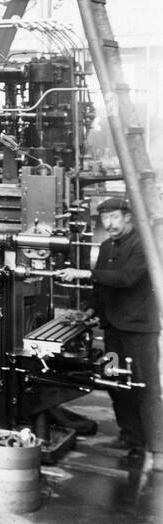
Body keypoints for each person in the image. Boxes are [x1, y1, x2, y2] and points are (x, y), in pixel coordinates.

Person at [57, 196, 161, 471]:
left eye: (115, 217)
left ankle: (155, 446)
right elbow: (102, 289)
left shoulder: (144, 246)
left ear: (128, 217)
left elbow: (126, 279)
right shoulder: (105, 247)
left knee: (143, 386)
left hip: (139, 331)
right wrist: (89, 311)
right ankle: (129, 438)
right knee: (117, 385)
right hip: (113, 329)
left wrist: (83, 272)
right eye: (105, 218)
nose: (109, 223)